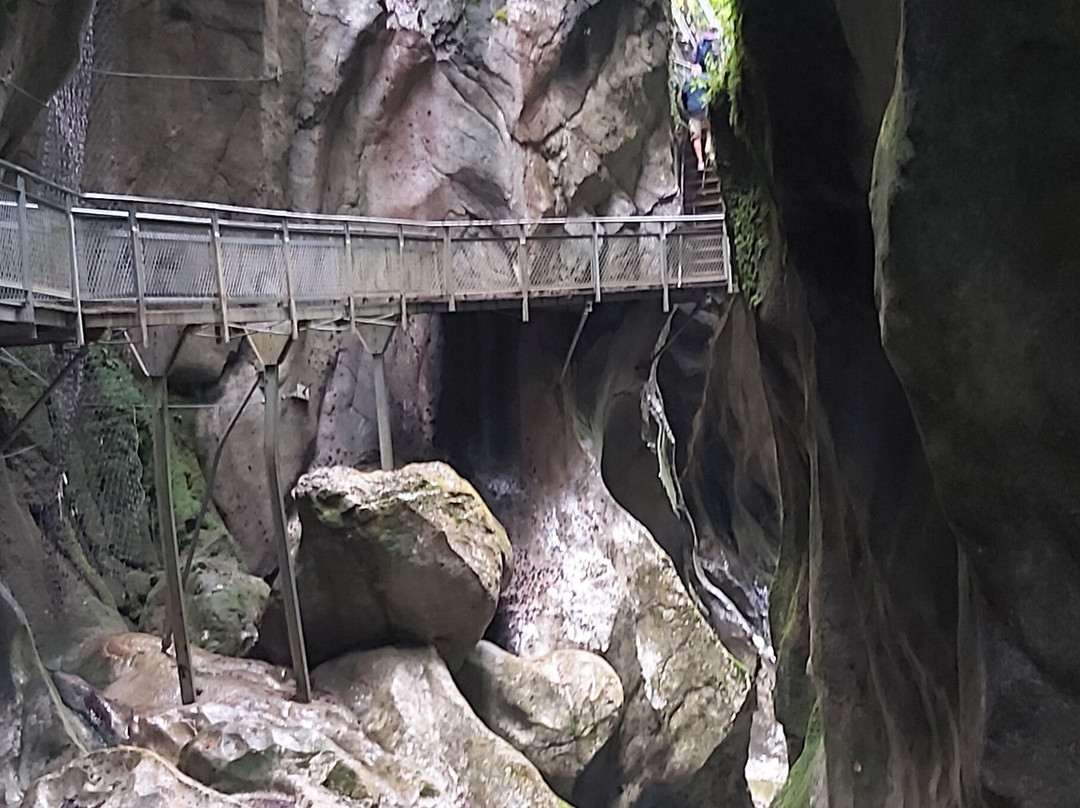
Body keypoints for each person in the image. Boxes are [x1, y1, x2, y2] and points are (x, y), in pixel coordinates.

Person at [680, 64, 712, 172]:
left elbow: (682, 97)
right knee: (710, 128)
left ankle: (700, 162)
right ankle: (708, 145)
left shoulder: (688, 83)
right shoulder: (706, 78)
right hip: (704, 109)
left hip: (693, 112)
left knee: (696, 137)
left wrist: (686, 112)